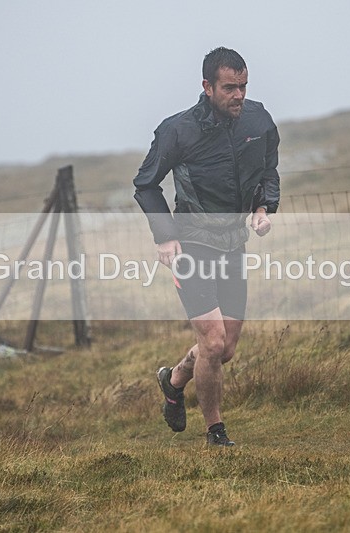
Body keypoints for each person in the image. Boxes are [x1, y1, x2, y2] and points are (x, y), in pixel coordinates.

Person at [133, 47, 280, 446]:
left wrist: (263, 207)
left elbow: (267, 170)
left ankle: (173, 380)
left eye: (243, 86)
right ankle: (216, 432)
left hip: (233, 243)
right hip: (192, 244)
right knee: (212, 342)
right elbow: (146, 185)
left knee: (224, 349)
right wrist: (165, 235)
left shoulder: (258, 120)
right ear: (207, 86)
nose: (239, 95)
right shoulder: (178, 130)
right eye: (229, 87)